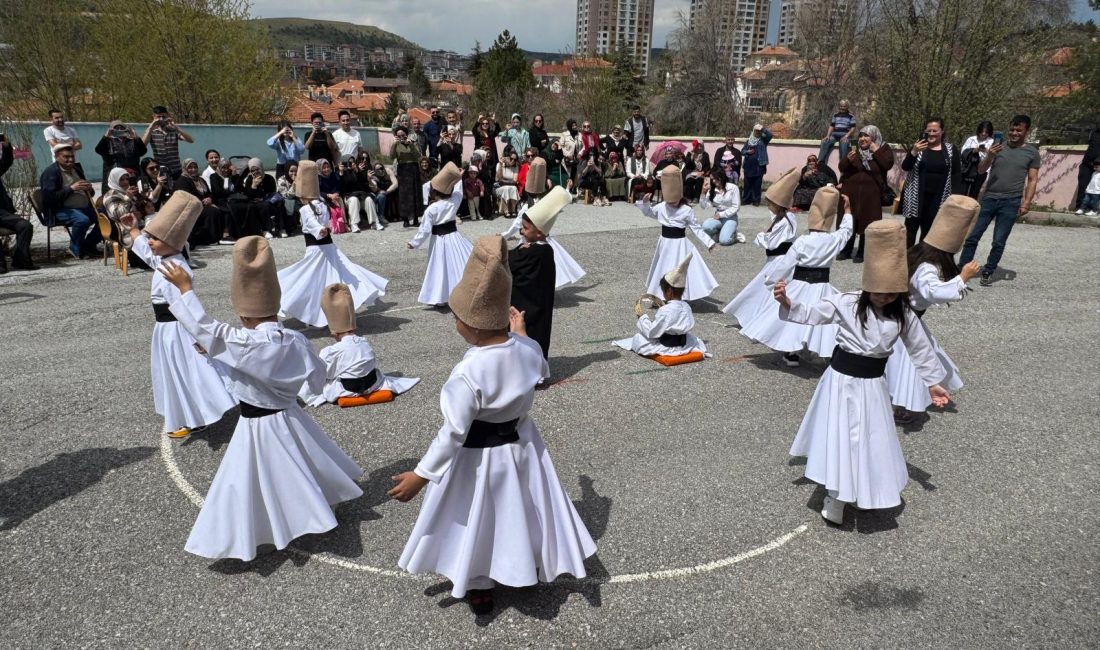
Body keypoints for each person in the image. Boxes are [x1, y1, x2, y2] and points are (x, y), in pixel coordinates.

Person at [390, 235, 596, 616]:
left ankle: (479, 582)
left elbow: (453, 431)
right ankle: (523, 564)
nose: (455, 322)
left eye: (457, 317)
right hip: (522, 448)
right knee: (519, 507)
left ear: (472, 326)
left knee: (478, 515)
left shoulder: (468, 373)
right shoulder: (529, 350)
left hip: (477, 457)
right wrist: (522, 336)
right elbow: (540, 369)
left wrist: (422, 474)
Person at [157, 236, 364, 559]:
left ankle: (262, 529)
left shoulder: (242, 342)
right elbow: (317, 379)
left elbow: (204, 327)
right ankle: (314, 509)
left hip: (257, 423)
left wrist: (186, 290)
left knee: (250, 481)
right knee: (300, 467)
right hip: (291, 415)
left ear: (243, 315)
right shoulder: (295, 340)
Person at [776, 219, 949, 525]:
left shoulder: (903, 314)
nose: (884, 298)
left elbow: (920, 348)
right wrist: (789, 303)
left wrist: (933, 383)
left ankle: (866, 489)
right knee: (841, 434)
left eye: (891, 293)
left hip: (873, 385)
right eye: (879, 292)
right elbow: (814, 313)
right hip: (840, 381)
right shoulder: (847, 302)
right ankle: (836, 493)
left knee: (869, 436)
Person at [120, 193, 237, 438]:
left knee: (190, 372)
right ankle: (190, 413)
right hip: (166, 329)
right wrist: (133, 230)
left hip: (179, 330)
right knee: (178, 372)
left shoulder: (177, 268)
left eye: (155, 238)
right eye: (150, 237)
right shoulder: (166, 258)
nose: (150, 242)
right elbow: (147, 254)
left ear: (173, 241)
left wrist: (200, 336)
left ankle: (198, 415)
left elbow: (186, 305)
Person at [885, 196, 981, 423]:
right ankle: (902, 405)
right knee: (909, 362)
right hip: (906, 320)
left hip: (901, 314)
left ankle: (895, 399)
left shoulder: (916, 254)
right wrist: (962, 278)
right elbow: (932, 291)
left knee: (899, 360)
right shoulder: (928, 266)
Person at [739, 186, 853, 367]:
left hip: (800, 283)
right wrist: (847, 211)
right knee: (824, 317)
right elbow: (847, 230)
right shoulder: (834, 239)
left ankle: (792, 352)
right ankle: (825, 349)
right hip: (822, 285)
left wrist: (772, 282)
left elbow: (786, 265)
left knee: (794, 316)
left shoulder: (803, 241)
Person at [277, 160, 388, 328]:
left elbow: (312, 223)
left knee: (311, 281)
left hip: (316, 249)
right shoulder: (323, 204)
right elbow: (319, 222)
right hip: (328, 247)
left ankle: (314, 313)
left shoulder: (306, 209)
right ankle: (328, 311)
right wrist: (321, 228)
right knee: (335, 276)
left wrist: (320, 229)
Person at [298, 283, 420, 407]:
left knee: (313, 381)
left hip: (348, 390)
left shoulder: (331, 350)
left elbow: (325, 374)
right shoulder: (364, 342)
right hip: (373, 385)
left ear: (334, 333)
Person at [959, 115, 1041, 286]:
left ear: (1027, 131)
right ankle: (962, 269)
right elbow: (981, 170)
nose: (1014, 133)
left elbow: (1032, 179)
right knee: (972, 237)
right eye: (1012, 129)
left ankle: (988, 270)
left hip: (1011, 201)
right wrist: (990, 156)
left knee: (998, 241)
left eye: (1018, 130)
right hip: (989, 198)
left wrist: (1026, 202)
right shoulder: (997, 147)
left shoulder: (1032, 153)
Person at [722, 169, 800, 326]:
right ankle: (759, 316)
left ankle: (762, 318)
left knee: (765, 287)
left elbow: (771, 243)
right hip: (777, 259)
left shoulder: (785, 221)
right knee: (764, 287)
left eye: (770, 203)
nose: (768, 206)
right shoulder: (784, 218)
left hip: (779, 261)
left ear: (777, 205)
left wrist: (760, 235)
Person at [637, 167, 718, 300]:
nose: (672, 204)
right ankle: (659, 294)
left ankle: (678, 296)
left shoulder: (686, 210)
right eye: (670, 201)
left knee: (678, 268)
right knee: (663, 266)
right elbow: (649, 213)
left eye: (674, 201)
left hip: (679, 244)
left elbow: (696, 228)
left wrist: (709, 243)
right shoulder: (662, 206)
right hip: (665, 243)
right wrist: (645, 204)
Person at [508, 187, 570, 364]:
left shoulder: (536, 252)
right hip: (535, 304)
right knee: (534, 336)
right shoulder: (544, 250)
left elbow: (511, 261)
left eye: (526, 228)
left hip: (528, 306)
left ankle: (527, 368)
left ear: (540, 232)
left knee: (525, 336)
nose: (522, 231)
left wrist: (519, 251)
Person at [502, 164, 586, 290]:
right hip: (530, 238)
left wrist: (567, 189)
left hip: (542, 237)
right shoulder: (527, 206)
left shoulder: (546, 201)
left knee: (545, 265)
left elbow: (560, 203)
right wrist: (505, 235)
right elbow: (517, 223)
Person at [614, 253, 708, 359]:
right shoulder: (686, 307)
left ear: (669, 291)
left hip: (667, 347)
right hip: (684, 344)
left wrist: (642, 318)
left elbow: (652, 332)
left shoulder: (665, 310)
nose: (663, 295)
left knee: (638, 338)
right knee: (694, 340)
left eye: (663, 292)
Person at [407, 163, 471, 307]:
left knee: (440, 267)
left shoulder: (431, 209)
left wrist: (414, 243)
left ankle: (441, 297)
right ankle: (462, 293)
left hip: (439, 240)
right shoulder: (453, 202)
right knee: (457, 265)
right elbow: (458, 192)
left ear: (434, 192)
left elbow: (425, 230)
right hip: (454, 238)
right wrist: (458, 179)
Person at [900, 117, 960, 247]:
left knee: (929, 234)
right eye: (929, 131)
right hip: (916, 198)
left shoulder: (950, 150)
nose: (931, 134)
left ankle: (923, 258)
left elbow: (956, 175)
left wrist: (956, 198)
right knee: (909, 232)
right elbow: (905, 167)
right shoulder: (918, 146)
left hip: (938, 200)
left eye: (935, 131)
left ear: (942, 131)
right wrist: (914, 152)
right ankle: (907, 258)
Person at [838, 125, 894, 262]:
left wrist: (876, 151)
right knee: (849, 219)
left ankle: (863, 251)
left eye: (866, 136)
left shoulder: (883, 148)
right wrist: (847, 160)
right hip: (851, 192)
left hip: (871, 194)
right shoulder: (854, 150)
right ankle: (846, 249)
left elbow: (887, 165)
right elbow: (842, 167)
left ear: (873, 137)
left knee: (868, 221)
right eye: (860, 136)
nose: (862, 139)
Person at [39, 143, 101, 258]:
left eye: (72, 156)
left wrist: (89, 189)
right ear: (57, 157)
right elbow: (49, 198)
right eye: (66, 157)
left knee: (106, 216)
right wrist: (71, 188)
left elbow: (90, 194)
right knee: (82, 220)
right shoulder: (51, 172)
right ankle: (75, 248)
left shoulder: (76, 168)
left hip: (83, 208)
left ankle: (88, 245)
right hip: (60, 210)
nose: (70, 159)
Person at [102, 168, 155, 268]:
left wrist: (142, 196)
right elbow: (117, 213)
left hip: (140, 224)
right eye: (121, 180)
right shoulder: (110, 195)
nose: (125, 182)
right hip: (127, 231)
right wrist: (128, 198)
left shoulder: (126, 192)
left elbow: (144, 208)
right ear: (114, 180)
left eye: (127, 179)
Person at [174, 158, 230, 246]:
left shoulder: (200, 180)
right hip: (190, 208)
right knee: (212, 212)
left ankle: (220, 237)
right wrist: (202, 202)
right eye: (190, 168)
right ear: (185, 168)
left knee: (221, 209)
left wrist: (209, 199)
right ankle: (209, 239)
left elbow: (209, 193)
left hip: (204, 205)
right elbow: (185, 197)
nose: (193, 170)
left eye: (195, 167)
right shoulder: (182, 181)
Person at [94, 120, 147, 193]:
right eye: (116, 128)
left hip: (132, 175)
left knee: (134, 194)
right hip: (115, 175)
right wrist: (106, 136)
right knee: (116, 195)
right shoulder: (108, 141)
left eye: (121, 128)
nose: (119, 130)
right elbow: (98, 150)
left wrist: (136, 137)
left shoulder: (132, 141)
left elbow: (143, 151)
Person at [142, 106, 194, 179]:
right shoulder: (151, 131)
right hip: (160, 170)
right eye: (158, 117)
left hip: (176, 169)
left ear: (167, 116)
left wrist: (176, 127)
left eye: (163, 116)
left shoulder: (173, 130)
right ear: (153, 117)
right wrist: (152, 125)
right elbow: (142, 145)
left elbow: (191, 140)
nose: (161, 119)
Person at [238, 158, 282, 239]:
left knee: (280, 204)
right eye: (252, 170)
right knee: (263, 205)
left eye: (257, 169)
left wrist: (263, 197)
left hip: (268, 200)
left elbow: (272, 192)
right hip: (255, 203)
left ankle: (281, 228)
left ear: (261, 168)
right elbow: (248, 195)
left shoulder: (269, 178)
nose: (255, 172)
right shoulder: (249, 180)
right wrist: (254, 186)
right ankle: (266, 230)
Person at [700, 167, 744, 246]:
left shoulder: (733, 188)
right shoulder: (712, 190)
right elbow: (704, 206)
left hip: (730, 217)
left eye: (715, 178)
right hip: (718, 218)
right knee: (705, 226)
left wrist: (721, 214)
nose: (713, 181)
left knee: (724, 241)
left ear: (721, 176)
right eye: (712, 179)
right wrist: (703, 193)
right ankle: (721, 232)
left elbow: (736, 207)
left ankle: (735, 235)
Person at [390, 126, 422, 228]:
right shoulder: (396, 144)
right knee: (404, 195)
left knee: (415, 193)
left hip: (413, 168)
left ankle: (416, 219)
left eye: (403, 135)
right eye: (398, 136)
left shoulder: (412, 143)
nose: (401, 137)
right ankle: (405, 219)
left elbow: (418, 155)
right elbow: (392, 156)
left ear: (406, 135)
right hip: (402, 169)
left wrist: (411, 145)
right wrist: (394, 143)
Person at [959, 121, 995, 199]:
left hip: (981, 170)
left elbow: (992, 156)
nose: (983, 134)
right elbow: (963, 152)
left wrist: (985, 151)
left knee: (975, 193)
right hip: (968, 169)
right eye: (982, 131)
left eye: (986, 132)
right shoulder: (971, 139)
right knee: (962, 192)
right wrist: (974, 150)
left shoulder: (991, 141)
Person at [817, 100, 857, 167]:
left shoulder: (851, 116)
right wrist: (828, 135)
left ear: (847, 107)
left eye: (844, 106)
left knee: (844, 143)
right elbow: (832, 126)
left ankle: (843, 164)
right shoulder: (835, 115)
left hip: (845, 135)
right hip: (834, 135)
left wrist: (846, 136)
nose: (842, 108)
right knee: (824, 141)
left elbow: (853, 128)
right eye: (841, 106)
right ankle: (820, 163)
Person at [741, 124, 773, 206]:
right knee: (747, 184)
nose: (757, 132)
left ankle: (756, 201)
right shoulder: (749, 141)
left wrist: (763, 129)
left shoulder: (763, 140)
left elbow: (770, 135)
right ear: (753, 131)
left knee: (757, 185)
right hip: (748, 166)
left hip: (759, 166)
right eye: (756, 130)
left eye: (759, 131)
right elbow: (742, 151)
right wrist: (747, 152)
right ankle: (746, 200)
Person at [1073, 126, 1100, 213]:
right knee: (1083, 186)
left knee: (1096, 188)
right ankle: (1080, 207)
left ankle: (1093, 209)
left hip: (1098, 165)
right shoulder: (1094, 131)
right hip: (1086, 164)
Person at [495, 152, 521, 218]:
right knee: (507, 188)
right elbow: (499, 178)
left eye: (515, 159)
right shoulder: (500, 164)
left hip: (510, 187)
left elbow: (515, 181)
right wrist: (501, 164)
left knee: (514, 188)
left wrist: (504, 181)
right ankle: (506, 210)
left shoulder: (515, 167)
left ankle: (513, 210)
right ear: (507, 158)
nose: (513, 161)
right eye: (511, 158)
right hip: (499, 187)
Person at [560, 119, 581, 186]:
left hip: (577, 160)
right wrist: (567, 154)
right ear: (569, 126)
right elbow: (561, 146)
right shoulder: (564, 135)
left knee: (576, 177)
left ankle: (574, 188)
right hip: (567, 160)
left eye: (575, 125)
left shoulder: (579, 135)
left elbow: (583, 146)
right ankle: (568, 189)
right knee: (568, 177)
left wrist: (580, 154)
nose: (575, 127)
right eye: (573, 125)